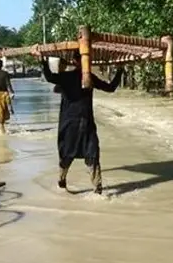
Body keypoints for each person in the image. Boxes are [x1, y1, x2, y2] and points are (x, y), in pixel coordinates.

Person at [37, 50, 123, 194]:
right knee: (90, 153)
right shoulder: (82, 77)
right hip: (80, 121)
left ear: (75, 61)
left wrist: (43, 62)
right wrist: (120, 71)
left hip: (73, 122)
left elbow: (50, 77)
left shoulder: (71, 77)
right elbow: (111, 87)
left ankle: (73, 181)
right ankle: (92, 187)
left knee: (72, 153)